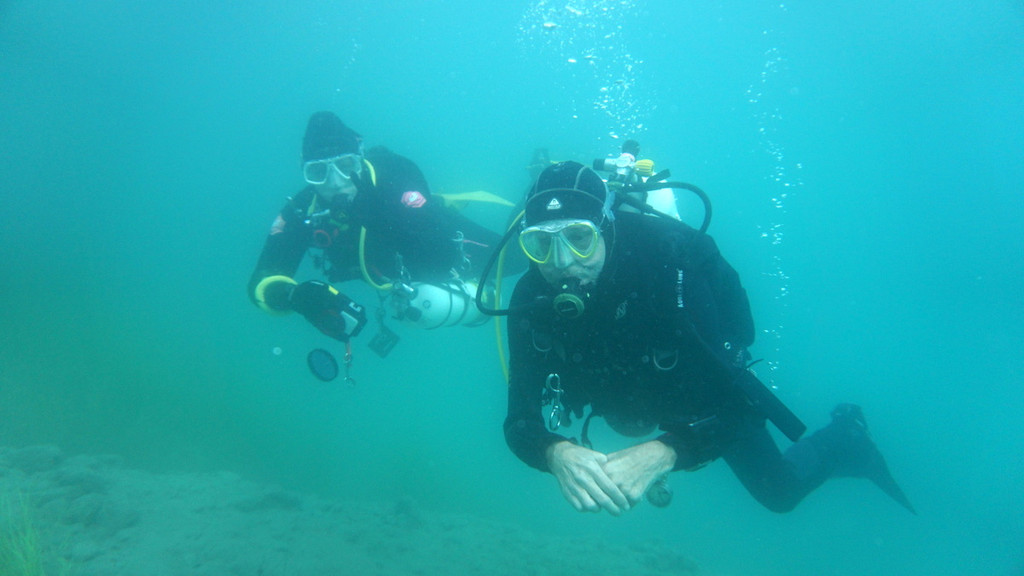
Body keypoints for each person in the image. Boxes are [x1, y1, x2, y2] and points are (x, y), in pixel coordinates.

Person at [502, 160, 915, 516]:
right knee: (626, 422)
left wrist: (666, 450)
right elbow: (519, 421)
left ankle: (847, 435)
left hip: (690, 390)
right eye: (540, 243)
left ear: (606, 228)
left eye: (579, 237)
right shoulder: (530, 296)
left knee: (778, 491)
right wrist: (556, 452)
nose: (561, 262)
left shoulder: (670, 270)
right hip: (623, 395)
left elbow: (739, 410)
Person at [248, 111, 502, 355]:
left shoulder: (395, 177)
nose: (335, 182)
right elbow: (262, 279)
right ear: (305, 172)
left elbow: (442, 258)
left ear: (359, 159)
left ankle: (523, 195)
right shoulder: (304, 209)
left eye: (346, 165)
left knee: (512, 260)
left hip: (453, 243)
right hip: (397, 279)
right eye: (318, 171)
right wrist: (295, 296)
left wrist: (386, 224)